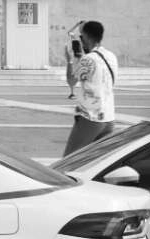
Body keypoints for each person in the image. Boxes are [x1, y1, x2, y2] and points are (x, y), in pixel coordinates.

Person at [63, 20, 117, 156]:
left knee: (69, 160)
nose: (81, 40)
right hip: (109, 117)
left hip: (90, 117)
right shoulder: (111, 56)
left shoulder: (88, 59)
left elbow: (71, 81)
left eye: (81, 36)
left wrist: (70, 60)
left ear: (86, 37)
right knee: (94, 161)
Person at [64, 21, 85, 99]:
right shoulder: (76, 36)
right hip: (74, 57)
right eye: (81, 26)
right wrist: (76, 25)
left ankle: (85, 92)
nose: (82, 27)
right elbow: (69, 32)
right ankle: (72, 93)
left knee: (83, 74)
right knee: (72, 74)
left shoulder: (87, 37)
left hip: (83, 58)